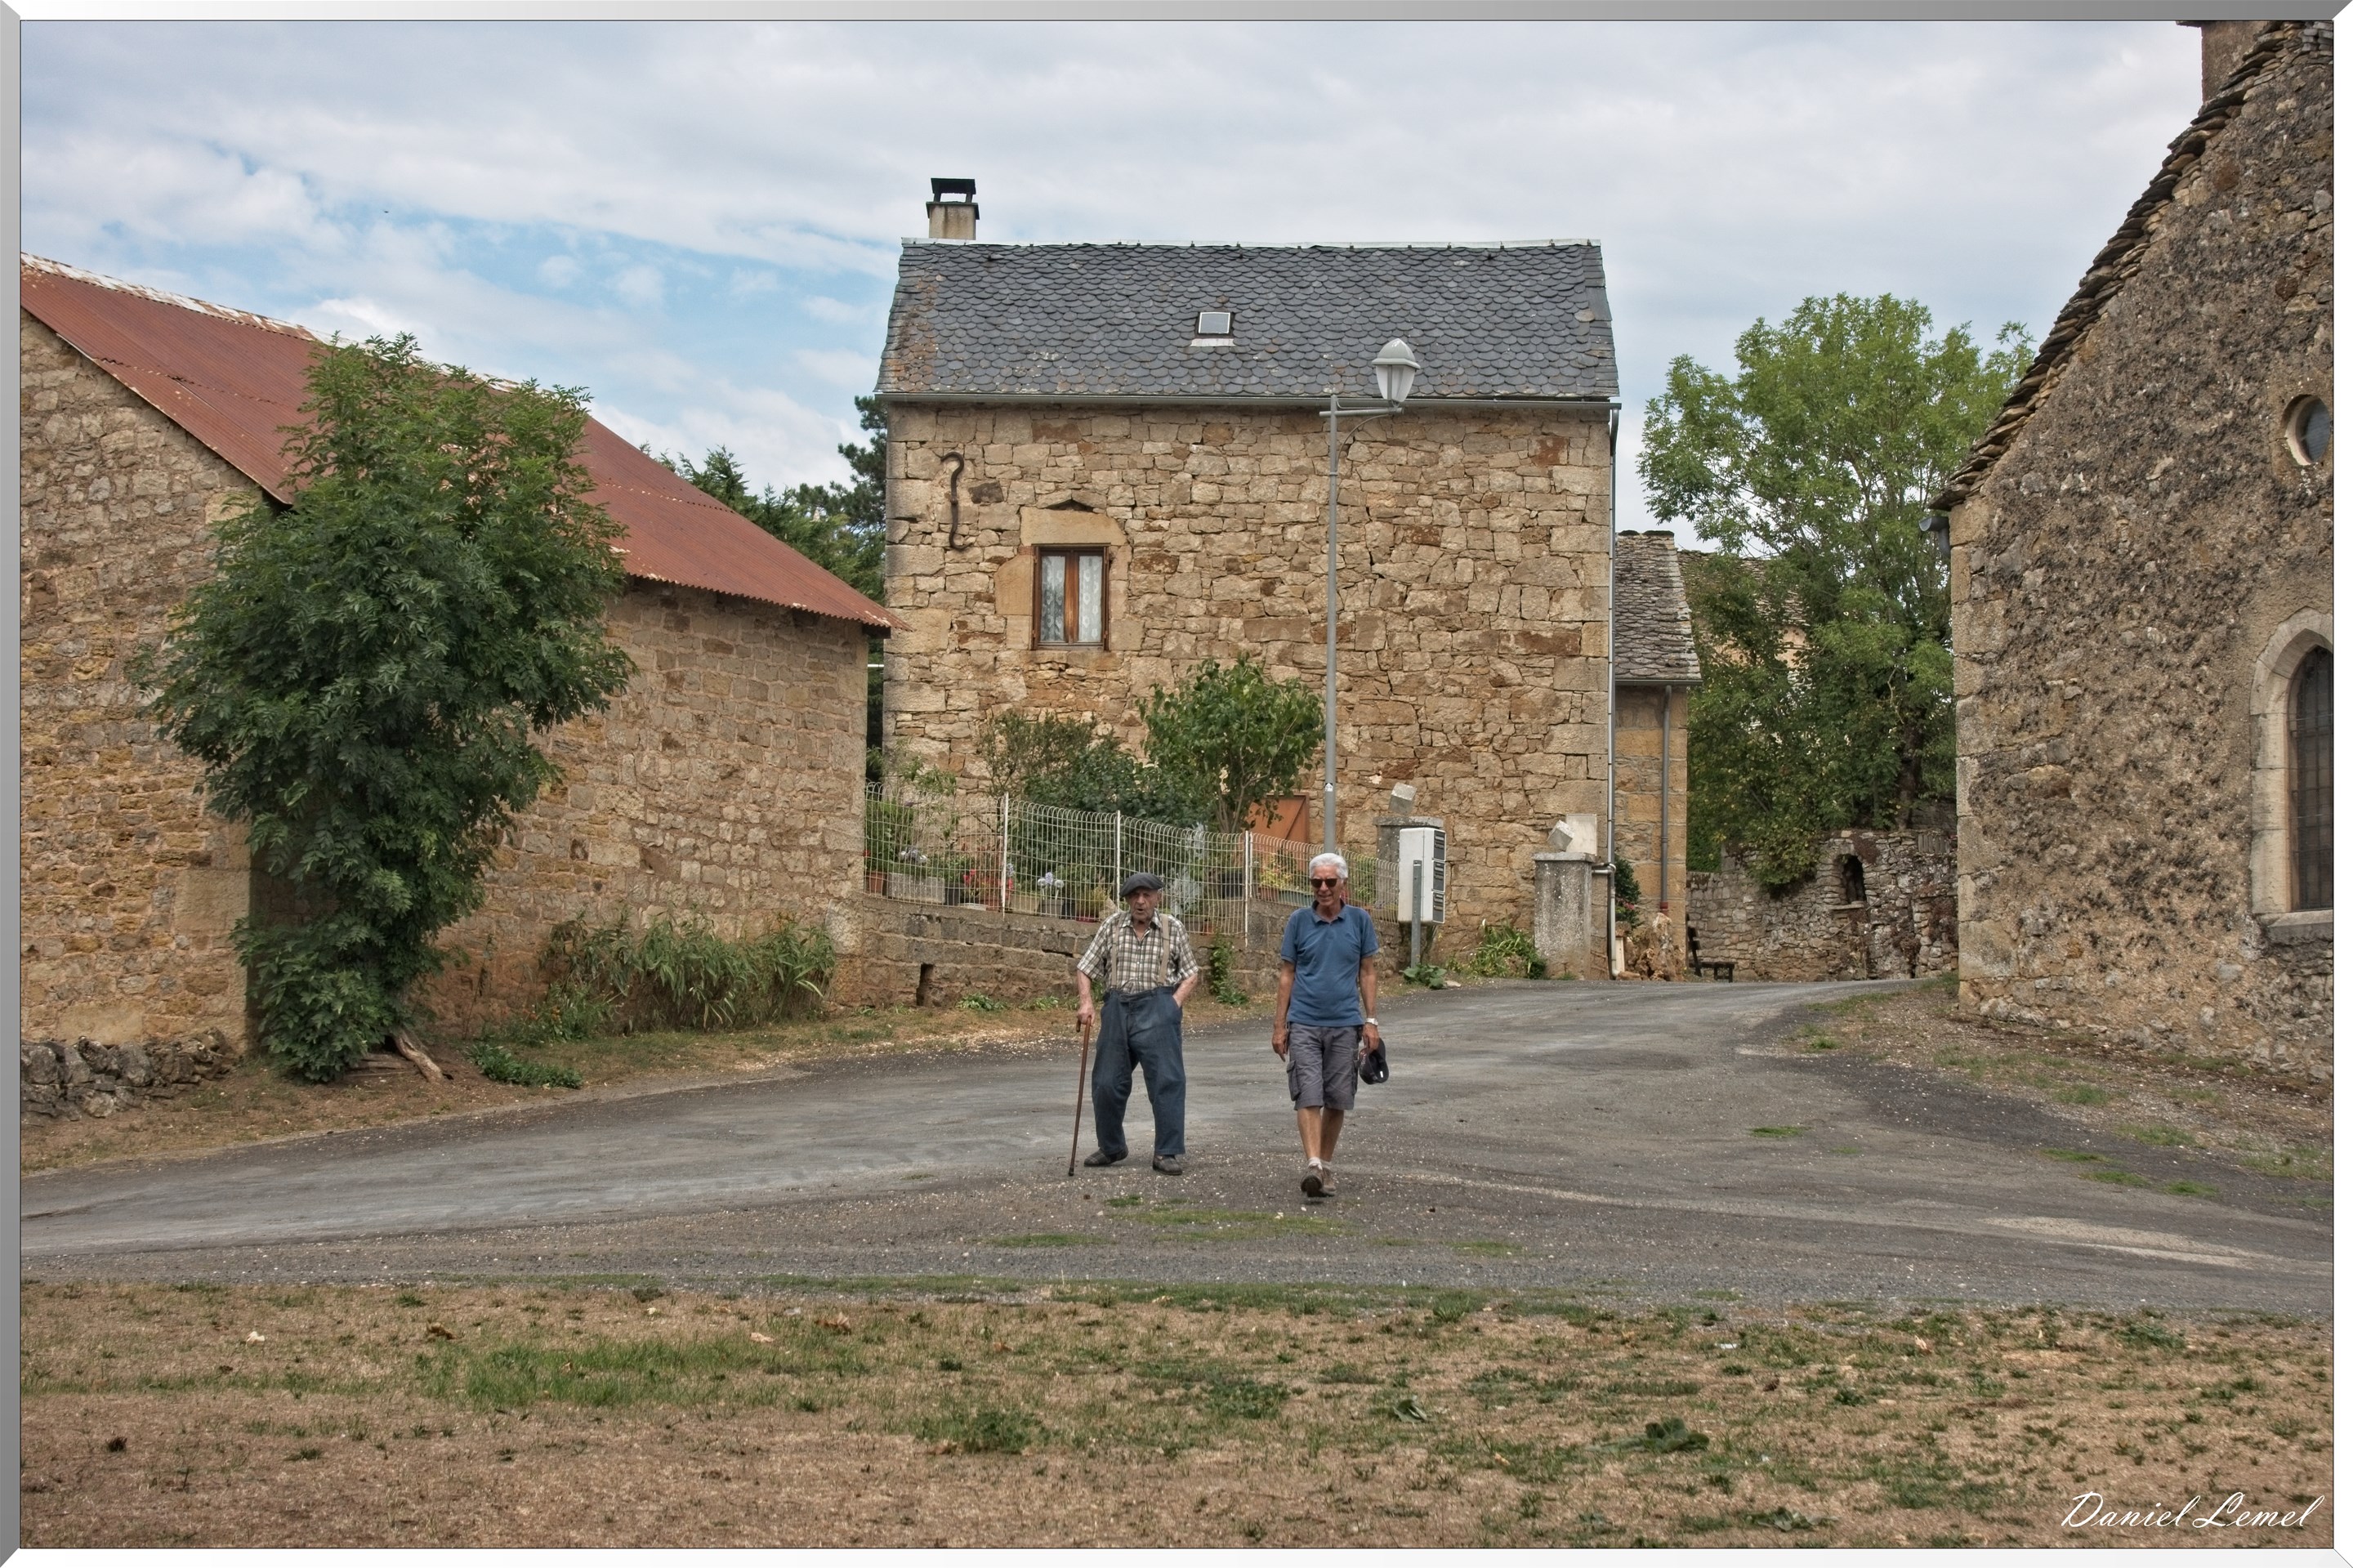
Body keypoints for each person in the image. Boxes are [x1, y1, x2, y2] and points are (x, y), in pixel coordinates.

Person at [1075, 871, 1200, 1174]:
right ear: (1128, 899)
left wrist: (1173, 1004)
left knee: (1167, 1081)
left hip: (1158, 1006)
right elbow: (1085, 967)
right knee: (1106, 1082)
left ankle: (1166, 1152)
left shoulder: (1173, 928)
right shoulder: (1112, 926)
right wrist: (1086, 1001)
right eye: (1134, 896)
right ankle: (1112, 1147)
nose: (1140, 901)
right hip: (1117, 1007)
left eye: (1146, 895)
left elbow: (1191, 973)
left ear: (1158, 897)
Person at [1272, 851, 1381, 1198]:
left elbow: (1367, 972)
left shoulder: (1360, 921)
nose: (1322, 888)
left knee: (1337, 1098)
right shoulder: (1298, 922)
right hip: (1303, 1022)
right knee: (1308, 1093)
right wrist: (1279, 1026)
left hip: (1345, 1024)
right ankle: (1314, 1165)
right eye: (1316, 882)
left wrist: (1371, 1021)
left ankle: (1327, 1166)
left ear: (1343, 884)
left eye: (1330, 882)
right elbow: (1287, 975)